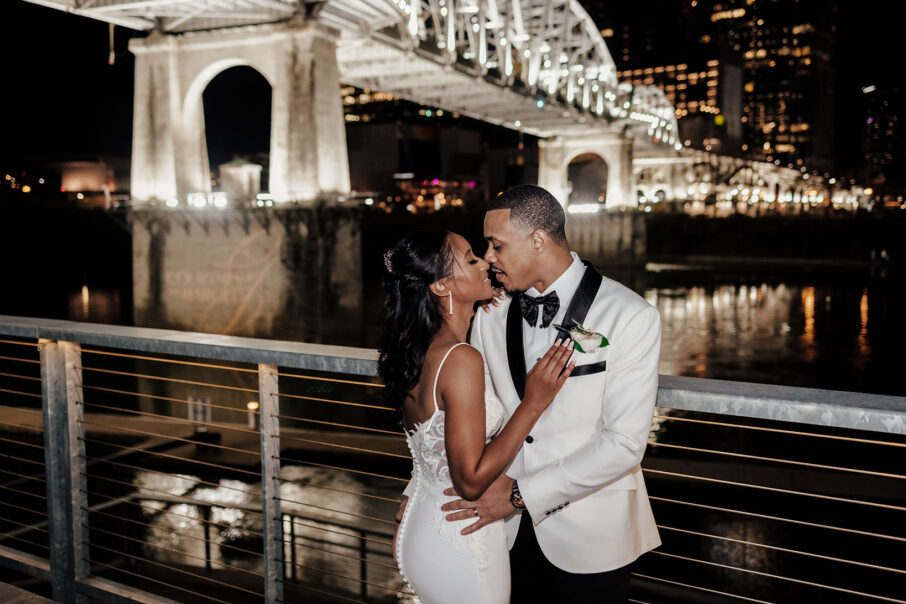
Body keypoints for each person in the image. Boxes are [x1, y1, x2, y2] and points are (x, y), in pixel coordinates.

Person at [440, 184, 662, 603]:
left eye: (496, 245)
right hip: (503, 532)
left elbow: (625, 444)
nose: (488, 258)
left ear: (538, 241)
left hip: (591, 535)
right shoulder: (493, 312)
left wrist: (521, 495)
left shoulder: (631, 315)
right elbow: (478, 410)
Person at [381, 229, 575, 604]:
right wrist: (533, 403)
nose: (486, 261)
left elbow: (431, 446)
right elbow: (469, 482)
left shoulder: (420, 348)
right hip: (462, 535)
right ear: (440, 286)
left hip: (424, 525)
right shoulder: (459, 359)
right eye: (471, 259)